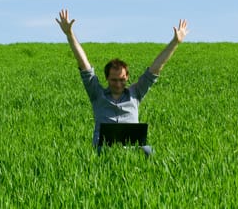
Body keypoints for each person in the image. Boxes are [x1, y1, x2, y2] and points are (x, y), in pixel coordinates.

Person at [56, 9, 189, 156]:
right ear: (106, 78)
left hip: (133, 148)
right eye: (114, 80)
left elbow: (156, 68)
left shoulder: (135, 93)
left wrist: (175, 42)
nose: (118, 84)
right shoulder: (97, 94)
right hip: (104, 148)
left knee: (149, 152)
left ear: (127, 77)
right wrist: (69, 34)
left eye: (121, 79)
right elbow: (84, 64)